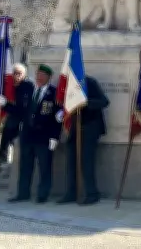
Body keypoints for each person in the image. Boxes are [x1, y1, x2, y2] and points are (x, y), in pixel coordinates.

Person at [8, 65, 64, 203]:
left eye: (43, 75)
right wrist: (4, 105)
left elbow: (58, 117)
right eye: (38, 74)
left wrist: (55, 137)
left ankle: (42, 194)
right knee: (25, 166)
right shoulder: (28, 90)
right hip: (27, 135)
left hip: (44, 136)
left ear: (49, 77)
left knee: (44, 167)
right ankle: (23, 193)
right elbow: (19, 110)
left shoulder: (54, 93)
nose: (39, 78)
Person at [57, 76, 109, 205]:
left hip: (90, 127)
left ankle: (92, 193)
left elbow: (104, 102)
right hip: (73, 128)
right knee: (71, 161)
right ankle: (71, 192)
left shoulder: (89, 82)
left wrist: (85, 102)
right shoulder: (66, 85)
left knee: (87, 162)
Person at [0, 64, 35, 176]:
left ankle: (18, 168)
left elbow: (23, 107)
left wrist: (6, 105)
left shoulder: (28, 87)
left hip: (24, 121)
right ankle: (2, 168)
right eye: (15, 73)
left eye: (19, 73)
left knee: (20, 146)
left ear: (24, 75)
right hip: (11, 120)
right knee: (4, 144)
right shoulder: (8, 86)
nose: (16, 76)